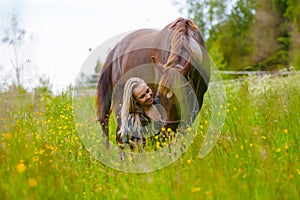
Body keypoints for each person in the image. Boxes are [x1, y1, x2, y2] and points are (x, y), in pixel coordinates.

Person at [118, 77, 165, 149]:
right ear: (135, 101)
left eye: (148, 90)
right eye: (142, 96)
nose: (148, 96)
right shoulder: (133, 121)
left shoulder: (163, 105)